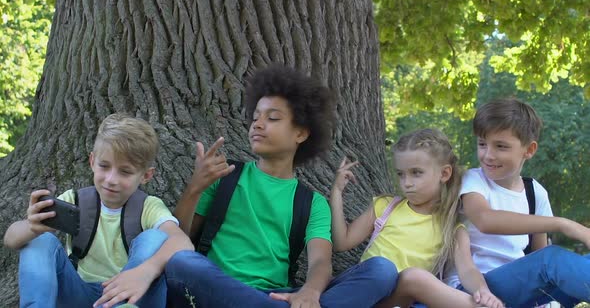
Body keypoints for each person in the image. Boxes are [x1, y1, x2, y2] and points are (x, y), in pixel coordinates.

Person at [165, 65, 396, 308]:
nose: (258, 124)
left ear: (301, 134)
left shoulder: (312, 203)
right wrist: (195, 188)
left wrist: (309, 292)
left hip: (278, 296)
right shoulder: (225, 176)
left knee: (382, 269)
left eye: (272, 118)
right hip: (216, 289)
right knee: (182, 263)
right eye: (255, 118)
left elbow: (320, 263)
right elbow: (178, 237)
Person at [3, 113, 194, 308]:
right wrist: (32, 227)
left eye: (125, 171)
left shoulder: (149, 207)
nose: (111, 179)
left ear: (146, 175)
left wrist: (146, 271)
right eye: (104, 166)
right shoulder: (75, 200)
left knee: (154, 238)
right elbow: (11, 239)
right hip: (79, 294)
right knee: (40, 240)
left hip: (128, 297)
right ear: (92, 162)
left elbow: (183, 242)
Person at [330, 128, 503, 308]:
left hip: (396, 300)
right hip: (361, 290)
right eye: (401, 174)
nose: (407, 183)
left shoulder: (452, 228)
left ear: (444, 174)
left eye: (416, 173)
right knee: (383, 268)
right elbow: (342, 242)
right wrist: (336, 192)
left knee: (414, 277)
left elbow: (467, 270)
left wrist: (482, 290)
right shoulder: (386, 206)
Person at [446, 98, 590, 307]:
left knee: (581, 262)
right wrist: (565, 224)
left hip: (522, 290)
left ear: (529, 150)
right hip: (475, 287)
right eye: (482, 144)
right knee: (553, 259)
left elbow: (538, 255)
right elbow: (485, 220)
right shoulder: (473, 180)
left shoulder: (535, 192)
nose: (488, 155)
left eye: (501, 146)